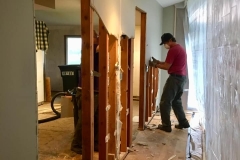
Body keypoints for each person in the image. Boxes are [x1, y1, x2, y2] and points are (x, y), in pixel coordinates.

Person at [149, 33, 190, 132]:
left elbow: (167, 67)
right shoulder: (180, 48)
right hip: (182, 78)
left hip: (175, 79)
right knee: (176, 101)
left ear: (171, 40)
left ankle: (166, 126)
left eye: (166, 42)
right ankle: (183, 122)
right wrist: (158, 62)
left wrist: (155, 65)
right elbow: (169, 63)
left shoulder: (173, 50)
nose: (165, 45)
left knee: (165, 102)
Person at [71, 31, 99, 153]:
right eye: (94, 36)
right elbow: (99, 47)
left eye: (96, 36)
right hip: (86, 92)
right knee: (84, 119)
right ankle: (77, 145)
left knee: (97, 118)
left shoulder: (96, 50)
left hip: (96, 90)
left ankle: (95, 142)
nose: (96, 38)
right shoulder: (89, 50)